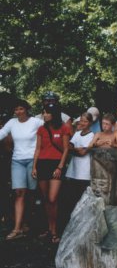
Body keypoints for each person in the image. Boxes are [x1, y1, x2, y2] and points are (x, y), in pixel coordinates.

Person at [0, 99, 43, 240]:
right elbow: (2, 133)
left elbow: (49, 131)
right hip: (17, 161)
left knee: (31, 193)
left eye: (21, 109)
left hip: (33, 160)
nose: (18, 112)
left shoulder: (35, 122)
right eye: (16, 109)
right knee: (19, 192)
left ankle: (29, 223)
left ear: (26, 109)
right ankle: (17, 228)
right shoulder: (12, 123)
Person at [32, 103, 71, 243]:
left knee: (53, 198)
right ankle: (49, 229)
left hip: (56, 165)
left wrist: (60, 167)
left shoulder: (64, 128)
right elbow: (37, 149)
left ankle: (54, 231)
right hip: (42, 164)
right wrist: (34, 167)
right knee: (46, 200)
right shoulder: (41, 129)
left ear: (53, 114)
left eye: (47, 112)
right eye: (43, 112)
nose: (44, 115)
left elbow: (66, 149)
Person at [64, 112, 95, 218]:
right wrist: (77, 149)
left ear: (90, 123)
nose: (83, 123)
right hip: (73, 172)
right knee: (70, 199)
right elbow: (68, 147)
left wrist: (74, 149)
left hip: (84, 173)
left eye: (85, 121)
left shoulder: (92, 136)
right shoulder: (77, 134)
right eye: (81, 120)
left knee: (82, 199)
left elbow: (83, 153)